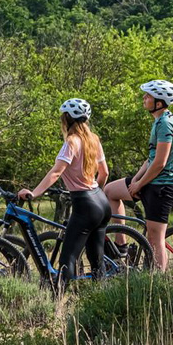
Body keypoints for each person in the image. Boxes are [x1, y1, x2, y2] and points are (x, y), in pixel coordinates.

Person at [18, 98, 110, 285]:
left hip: (85, 204)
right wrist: (95, 193)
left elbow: (56, 172)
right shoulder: (94, 139)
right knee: (97, 262)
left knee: (67, 260)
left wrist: (34, 193)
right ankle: (102, 299)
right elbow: (105, 172)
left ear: (67, 118)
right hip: (101, 201)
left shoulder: (71, 142)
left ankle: (56, 306)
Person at [102, 80, 173, 271]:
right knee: (109, 191)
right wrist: (137, 179)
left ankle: (158, 283)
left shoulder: (166, 123)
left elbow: (160, 163)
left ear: (159, 102)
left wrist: (139, 185)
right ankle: (121, 245)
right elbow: (150, 160)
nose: (144, 98)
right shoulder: (159, 121)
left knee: (155, 239)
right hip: (152, 180)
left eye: (148, 96)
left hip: (162, 185)